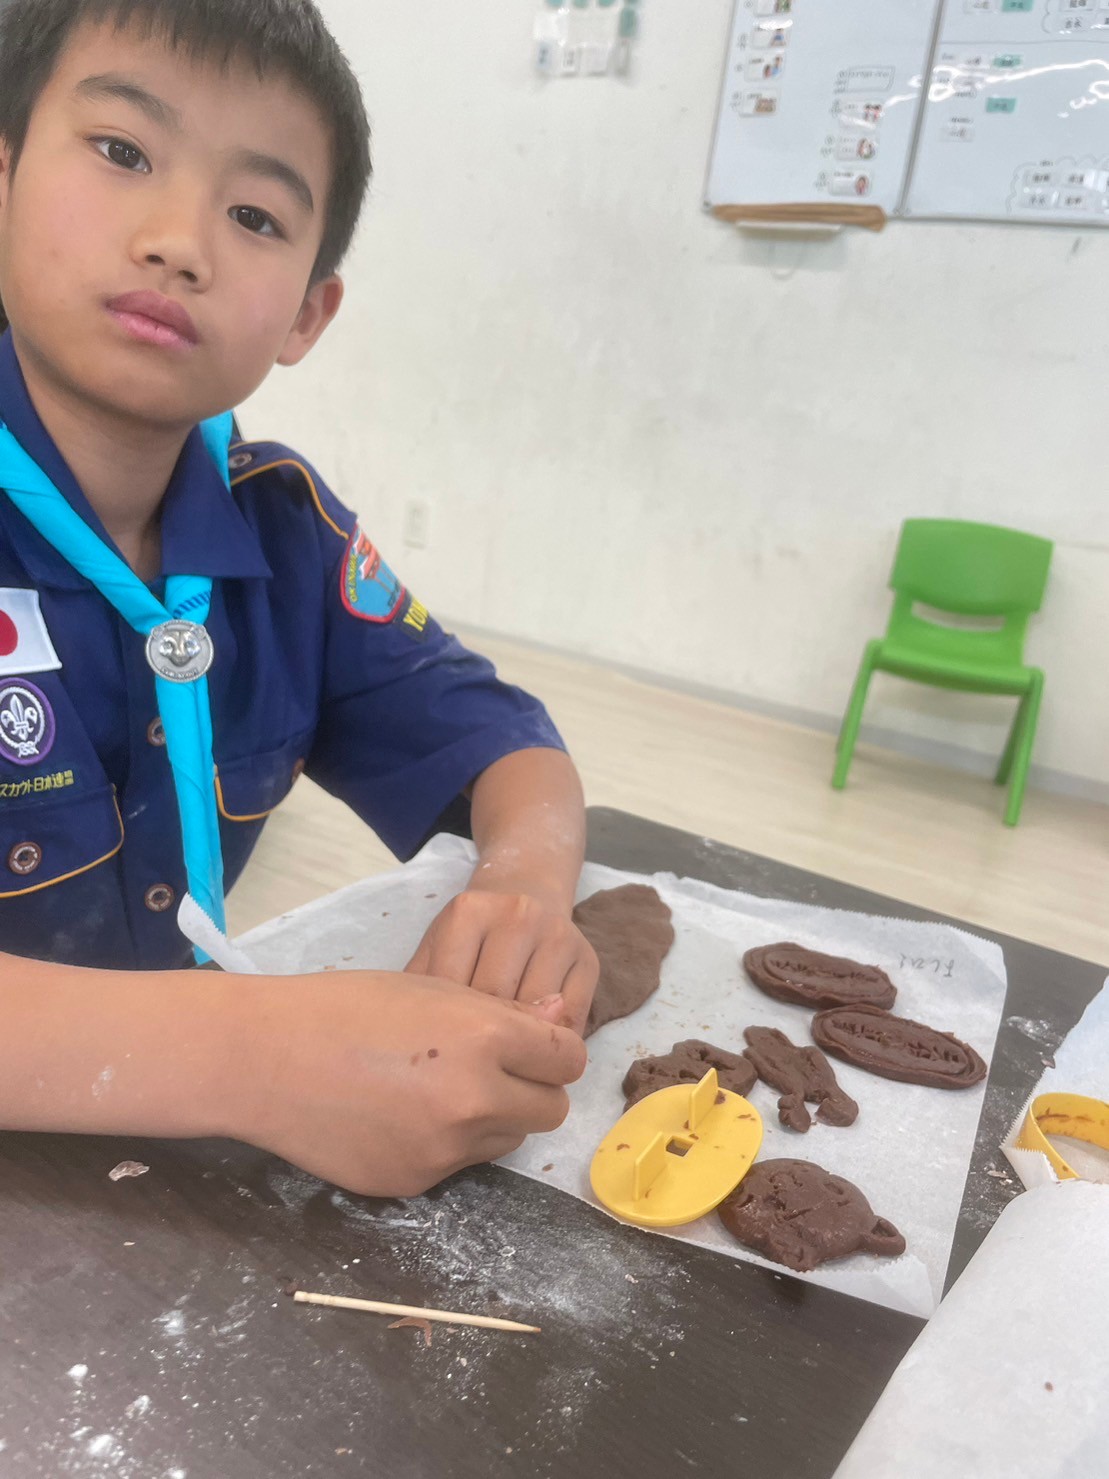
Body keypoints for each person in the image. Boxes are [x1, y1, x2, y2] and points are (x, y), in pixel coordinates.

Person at [0, 0, 596, 1197]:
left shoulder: (283, 533)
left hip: (148, 1206)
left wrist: (523, 890)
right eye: (122, 151)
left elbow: (504, 744)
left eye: (256, 216)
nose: (179, 242)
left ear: (308, 314)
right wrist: (255, 1058)